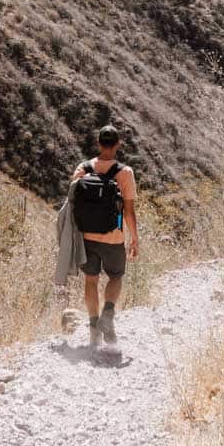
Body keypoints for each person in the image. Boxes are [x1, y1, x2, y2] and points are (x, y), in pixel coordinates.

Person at [70, 124, 138, 346]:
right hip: (113, 237)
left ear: (98, 143)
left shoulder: (82, 169)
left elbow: (71, 204)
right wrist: (134, 238)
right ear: (118, 144)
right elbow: (128, 211)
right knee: (115, 277)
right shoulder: (125, 173)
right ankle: (108, 314)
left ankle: (93, 329)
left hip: (87, 237)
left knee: (91, 280)